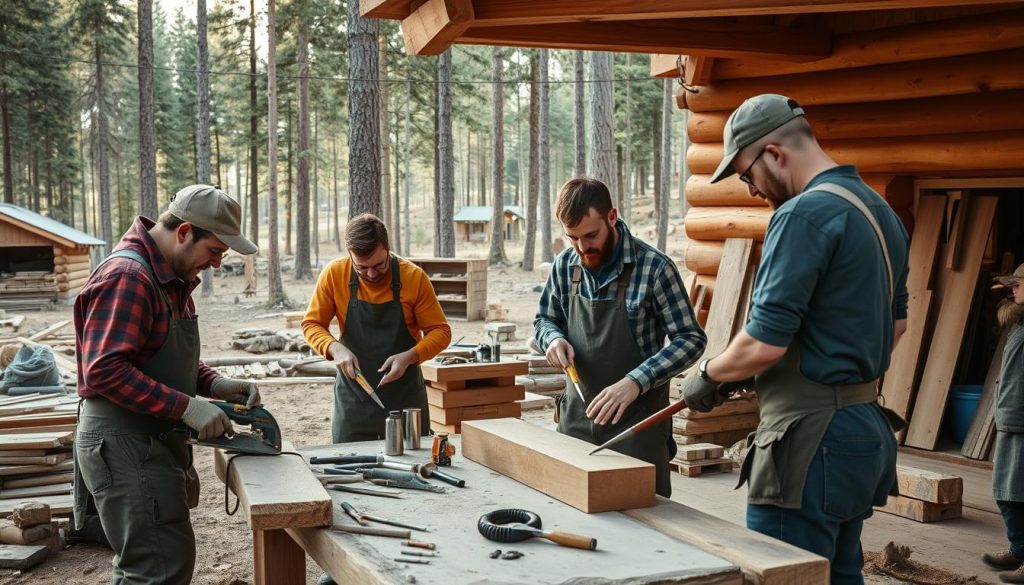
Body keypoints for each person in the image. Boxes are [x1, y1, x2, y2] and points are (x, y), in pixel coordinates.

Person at [679, 94, 910, 585]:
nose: (753, 189)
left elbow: (764, 341)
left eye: (747, 175)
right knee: (841, 573)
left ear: (775, 153)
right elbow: (896, 327)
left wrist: (708, 374)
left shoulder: (802, 214)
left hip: (809, 444)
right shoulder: (879, 210)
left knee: (785, 575)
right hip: (862, 430)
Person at [73, 184, 260, 584]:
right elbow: (103, 370)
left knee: (159, 562)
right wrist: (187, 407)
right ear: (184, 232)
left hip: (148, 439)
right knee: (154, 570)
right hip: (125, 442)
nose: (214, 264)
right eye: (214, 251)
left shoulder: (171, 276)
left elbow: (160, 355)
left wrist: (216, 384)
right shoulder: (129, 277)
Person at [534, 177, 707, 497]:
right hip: (575, 423)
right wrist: (552, 339)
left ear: (612, 217)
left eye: (591, 235)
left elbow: (691, 338)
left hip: (637, 430)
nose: (582, 248)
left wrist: (636, 381)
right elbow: (545, 319)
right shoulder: (564, 266)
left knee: (641, 526)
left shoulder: (654, 268)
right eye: (572, 238)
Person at [302, 213, 451, 444]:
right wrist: (334, 348)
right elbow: (312, 324)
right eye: (361, 268)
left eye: (379, 265)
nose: (371, 274)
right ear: (349, 254)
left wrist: (411, 356)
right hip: (354, 400)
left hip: (405, 397)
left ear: (388, 248)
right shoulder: (335, 274)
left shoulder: (413, 277)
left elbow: (441, 331)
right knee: (350, 465)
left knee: (411, 465)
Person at [984, 264, 1024, 584]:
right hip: (1011, 418)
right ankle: (1018, 549)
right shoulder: (1019, 323)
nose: (1012, 289)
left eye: (1018, 284)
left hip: (1022, 420)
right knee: (1007, 492)